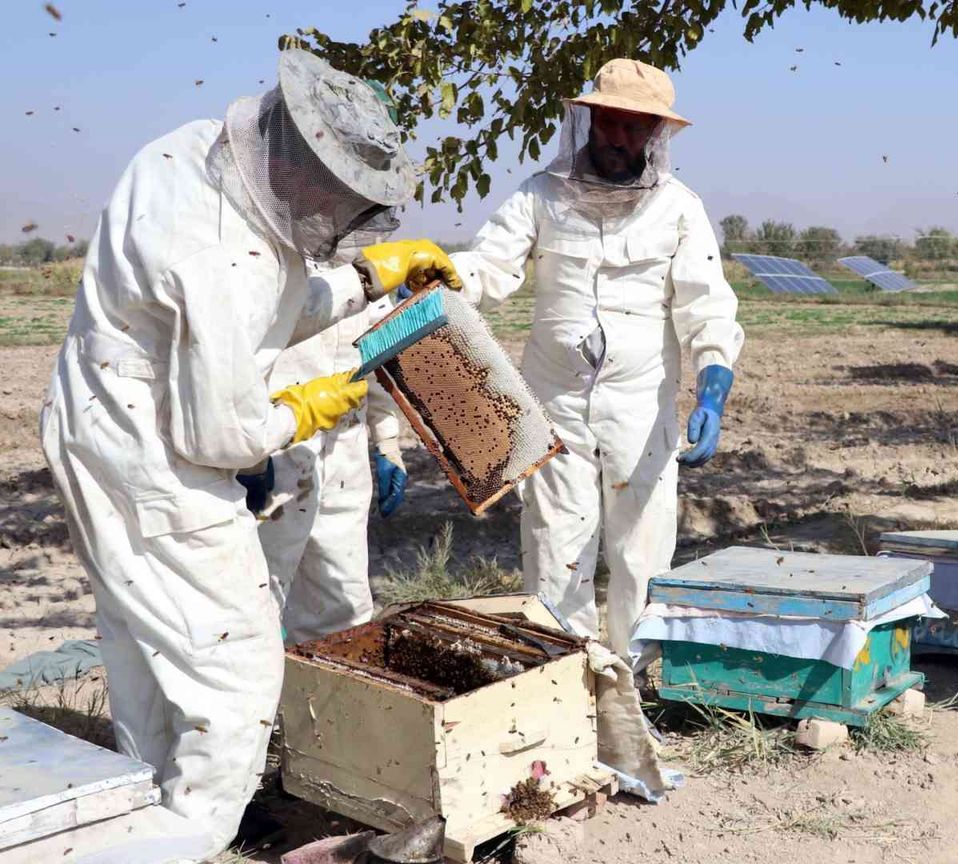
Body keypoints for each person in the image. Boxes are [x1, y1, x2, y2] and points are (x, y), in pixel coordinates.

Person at [39, 49, 460, 856]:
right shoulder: (216, 255)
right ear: (302, 164)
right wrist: (302, 408)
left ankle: (144, 797)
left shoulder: (190, 152)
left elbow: (276, 297)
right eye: (343, 196)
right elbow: (221, 434)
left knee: (142, 640)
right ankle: (179, 838)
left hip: (98, 421)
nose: (343, 212)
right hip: (158, 458)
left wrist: (372, 277)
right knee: (237, 674)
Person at [451, 59, 745, 656]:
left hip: (642, 412)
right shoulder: (540, 196)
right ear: (591, 121)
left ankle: (628, 689)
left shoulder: (680, 208)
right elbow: (488, 265)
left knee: (642, 554)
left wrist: (712, 391)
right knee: (556, 549)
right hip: (554, 406)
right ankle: (566, 688)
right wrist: (440, 276)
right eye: (610, 123)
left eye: (635, 128)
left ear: (654, 136)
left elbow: (708, 307)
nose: (619, 138)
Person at [250, 311, 407, 646]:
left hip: (344, 452)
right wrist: (246, 459)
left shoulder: (362, 262)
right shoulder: (259, 264)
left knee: (343, 607)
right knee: (255, 599)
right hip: (274, 449)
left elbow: (375, 352)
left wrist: (387, 437)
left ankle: (324, 696)